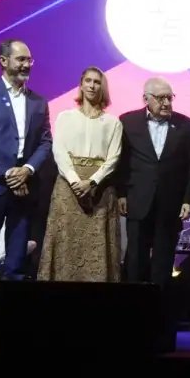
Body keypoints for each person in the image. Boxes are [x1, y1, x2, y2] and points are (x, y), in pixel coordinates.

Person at [0, 39, 52, 280]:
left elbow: (46, 142)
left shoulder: (39, 102)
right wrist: (9, 173)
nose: (27, 64)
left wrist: (27, 170)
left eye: (29, 60)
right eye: (21, 59)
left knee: (16, 263)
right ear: (3, 61)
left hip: (25, 188)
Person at [37, 66, 122, 282]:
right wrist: (76, 181)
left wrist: (92, 182)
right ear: (81, 85)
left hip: (99, 190)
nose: (92, 86)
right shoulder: (65, 117)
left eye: (97, 82)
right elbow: (59, 151)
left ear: (102, 87)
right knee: (66, 241)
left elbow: (113, 158)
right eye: (88, 81)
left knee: (97, 246)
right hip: (68, 187)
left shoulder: (113, 122)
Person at [117, 77, 190, 288]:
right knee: (135, 259)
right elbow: (121, 162)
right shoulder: (127, 122)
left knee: (163, 262)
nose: (167, 103)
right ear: (146, 99)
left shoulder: (185, 125)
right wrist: (121, 193)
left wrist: (189, 200)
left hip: (170, 204)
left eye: (170, 98)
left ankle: (159, 305)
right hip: (138, 200)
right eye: (161, 98)